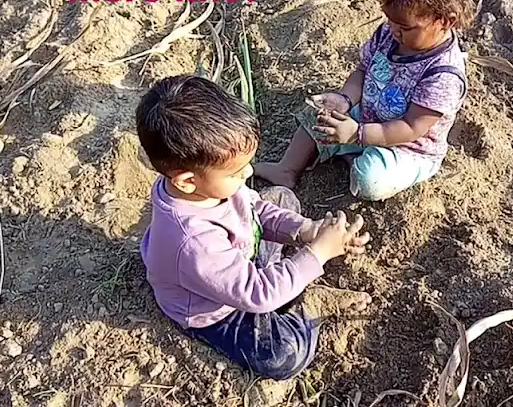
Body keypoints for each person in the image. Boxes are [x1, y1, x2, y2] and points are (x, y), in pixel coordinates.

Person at [136, 75, 372, 381]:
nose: (248, 172)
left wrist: (308, 231)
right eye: (235, 172)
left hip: (235, 260)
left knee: (282, 198)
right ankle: (307, 304)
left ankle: (285, 280)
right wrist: (318, 253)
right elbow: (257, 294)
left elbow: (255, 209)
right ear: (187, 181)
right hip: (215, 308)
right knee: (284, 354)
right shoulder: (195, 243)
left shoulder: (203, 187)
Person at [255, 0, 474, 202]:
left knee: (371, 179)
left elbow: (412, 127)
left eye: (405, 27)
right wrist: (345, 100)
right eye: (390, 20)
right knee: (318, 114)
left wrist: (358, 134)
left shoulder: (443, 75)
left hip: (407, 147)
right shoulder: (389, 33)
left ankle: (353, 156)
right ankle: (287, 169)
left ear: (445, 20)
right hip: (370, 113)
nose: (394, 30)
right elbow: (363, 70)